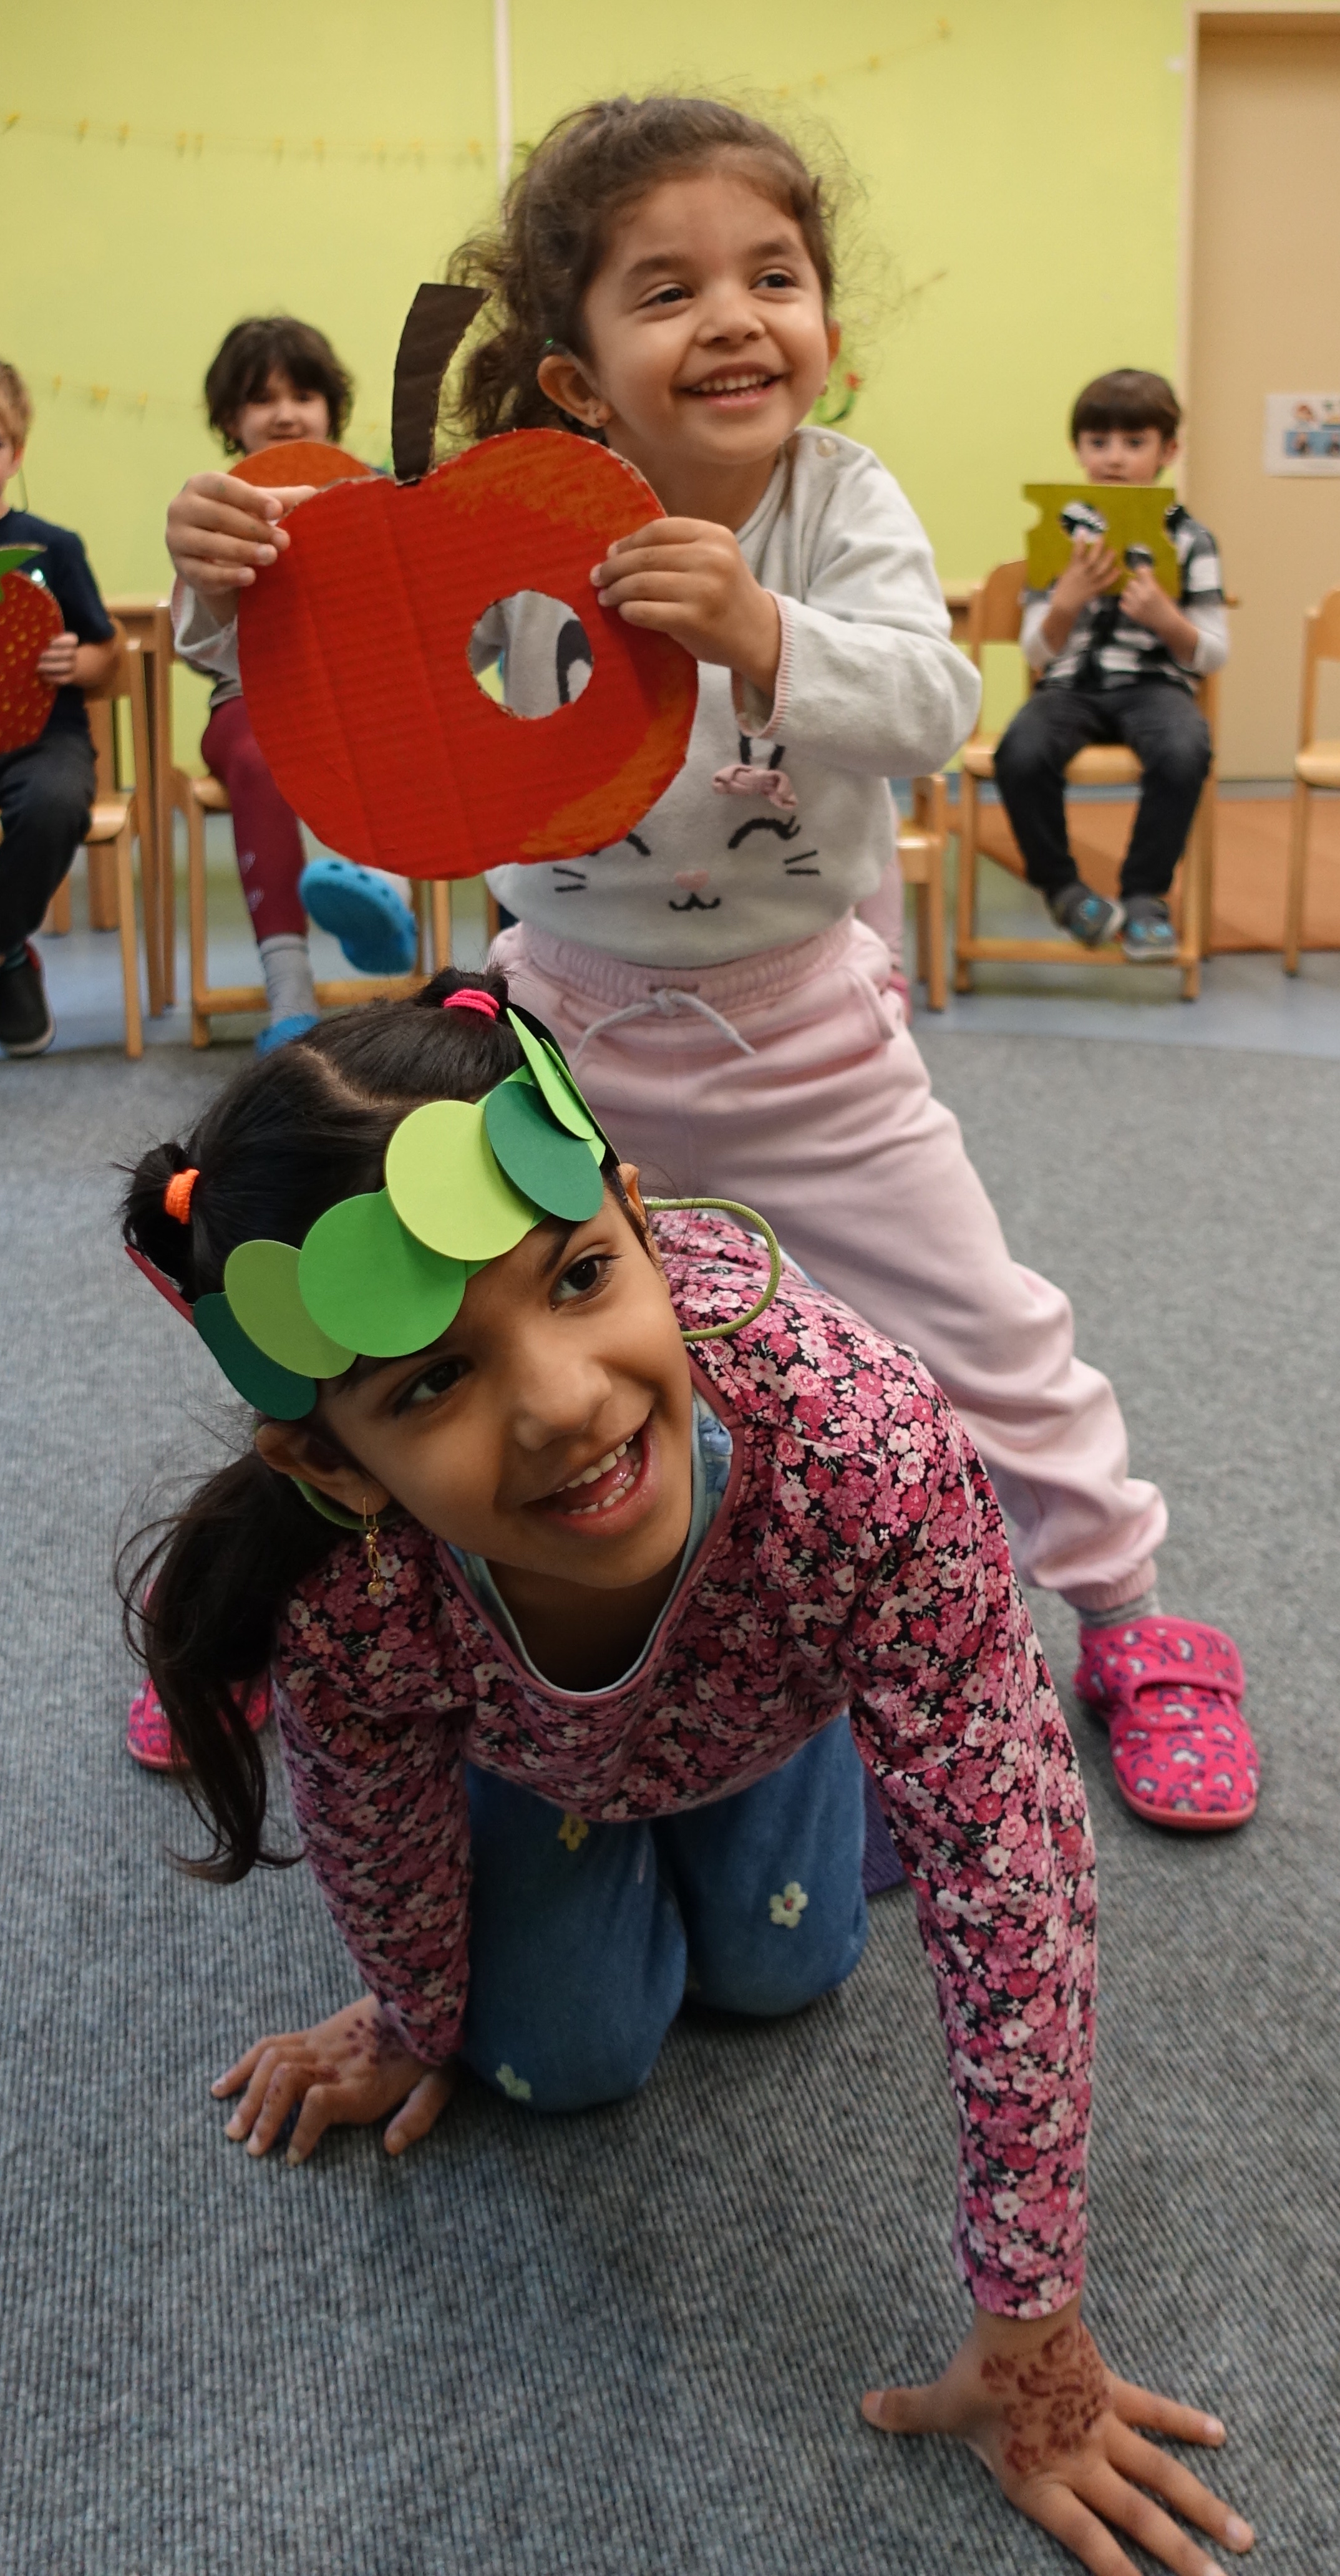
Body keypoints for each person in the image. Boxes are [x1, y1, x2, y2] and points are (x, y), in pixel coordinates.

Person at [160, 98, 1258, 1839]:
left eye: (774, 275)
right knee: (409, 1313)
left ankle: (1134, 1621)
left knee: (984, 1328)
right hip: (559, 1037)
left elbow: (932, 703)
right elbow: (358, 687)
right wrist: (229, 594)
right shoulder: (514, 512)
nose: (734, 315)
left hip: (802, 1035)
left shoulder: (839, 501)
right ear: (580, 373)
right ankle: (269, 1617)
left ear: (827, 321)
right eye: (664, 291)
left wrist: (761, 628)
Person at [120, 974, 1253, 2576]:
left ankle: (835, 1760)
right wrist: (410, 2012)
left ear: (641, 1228)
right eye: (428, 1383)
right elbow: (369, 1822)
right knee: (559, 2063)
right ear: (329, 1463)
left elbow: (1018, 1884)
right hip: (530, 1752)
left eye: (582, 1275)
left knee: (794, 1966)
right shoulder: (346, 1590)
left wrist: (1031, 2315)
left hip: (758, 1708)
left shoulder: (859, 1450)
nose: (566, 1401)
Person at [177, 316, 418, 1050]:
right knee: (259, 760)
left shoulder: (367, 493)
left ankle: (380, 895)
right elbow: (195, 644)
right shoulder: (216, 508)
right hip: (248, 705)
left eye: (304, 394)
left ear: (330, 410)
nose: (285, 413)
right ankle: (289, 995)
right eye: (261, 399)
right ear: (231, 420)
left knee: (404, 727)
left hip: (354, 700)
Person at [994, 368, 1226, 964]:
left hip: (1155, 689)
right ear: (1078, 451)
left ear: (1167, 451)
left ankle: (1145, 897)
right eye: (1098, 443)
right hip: (1069, 687)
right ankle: (1064, 891)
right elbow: (1035, 653)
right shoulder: (1058, 532)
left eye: (1134, 442)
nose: (1114, 458)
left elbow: (1212, 651)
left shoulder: (1191, 540)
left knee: (1184, 750)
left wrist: (1164, 618)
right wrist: (1064, 604)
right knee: (1019, 753)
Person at [0, 344, 119, 1057]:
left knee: (55, 804)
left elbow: (104, 651)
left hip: (46, 735)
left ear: (16, 454)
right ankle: (9, 958)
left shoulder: (52, 547)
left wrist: (76, 658)